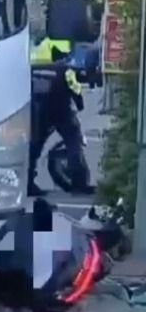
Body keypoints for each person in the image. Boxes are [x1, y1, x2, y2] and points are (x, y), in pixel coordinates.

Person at [29, 36, 93, 196]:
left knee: (34, 147)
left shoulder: (33, 66)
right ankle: (79, 183)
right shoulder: (64, 68)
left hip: (39, 111)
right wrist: (80, 104)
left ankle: (28, 182)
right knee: (73, 142)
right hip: (62, 110)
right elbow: (74, 87)